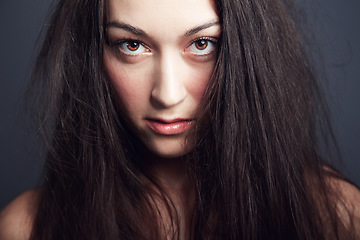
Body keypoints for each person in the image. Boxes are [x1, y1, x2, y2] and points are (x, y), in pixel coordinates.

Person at [0, 0, 359, 239]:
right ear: (92, 56)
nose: (167, 94)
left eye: (202, 44)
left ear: (248, 50)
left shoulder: (336, 217)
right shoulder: (26, 228)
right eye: (131, 45)